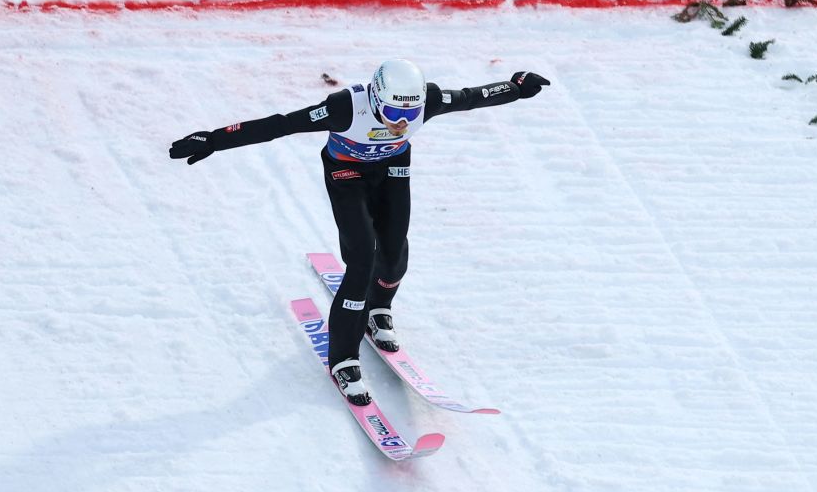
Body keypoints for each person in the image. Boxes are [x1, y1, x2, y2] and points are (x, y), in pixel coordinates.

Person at [169, 60, 550, 406]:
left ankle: (379, 309)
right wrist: (214, 139)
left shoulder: (427, 100)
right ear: (376, 97)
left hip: (392, 168)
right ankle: (344, 359)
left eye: (410, 112)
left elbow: (471, 97)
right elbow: (281, 124)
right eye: (395, 112)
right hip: (346, 174)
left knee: (395, 251)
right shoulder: (344, 107)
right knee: (361, 262)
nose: (402, 121)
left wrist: (517, 85)